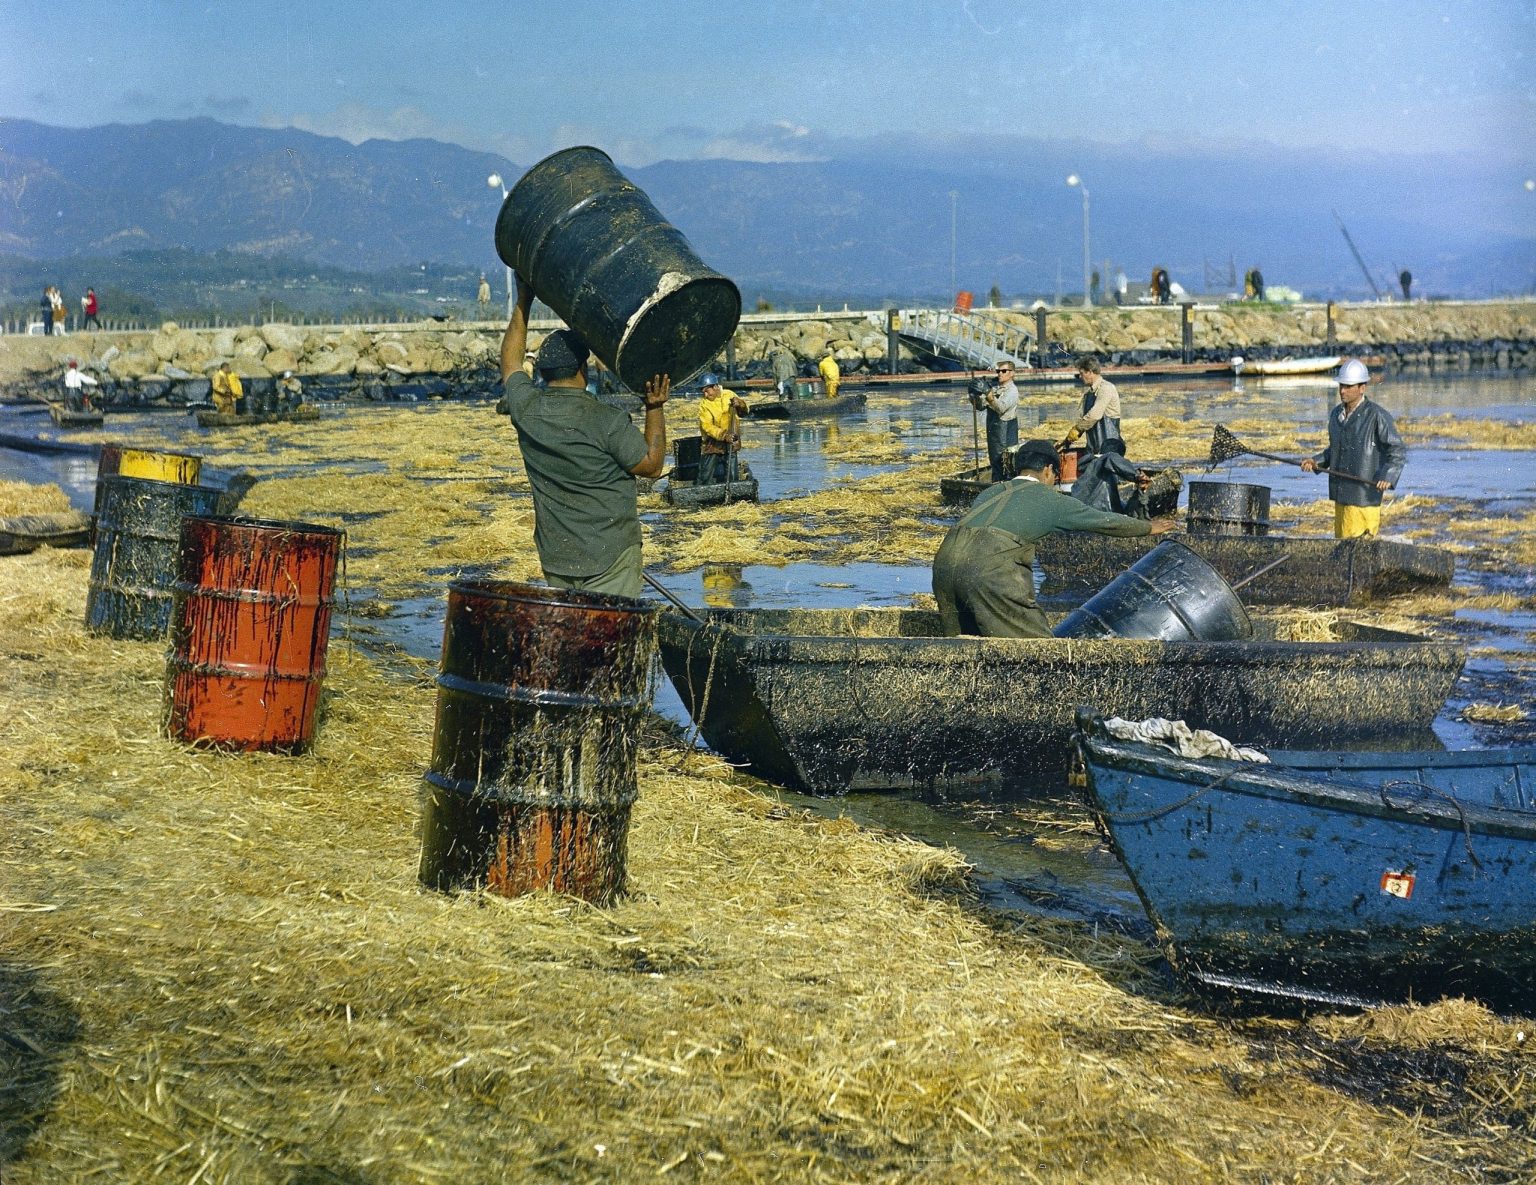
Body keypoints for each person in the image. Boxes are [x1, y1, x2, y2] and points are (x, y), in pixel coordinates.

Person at [498, 274, 668, 599]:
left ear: (542, 373)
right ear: (582, 370)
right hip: (610, 557)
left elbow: (509, 361)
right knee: (609, 639)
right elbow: (652, 466)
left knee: (573, 638)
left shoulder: (525, 408)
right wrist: (655, 407)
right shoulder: (606, 420)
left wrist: (523, 299)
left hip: (557, 559)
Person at [932, 438, 1178, 637]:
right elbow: (1103, 521)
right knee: (1039, 650)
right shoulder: (1050, 499)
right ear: (1048, 470)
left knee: (963, 646)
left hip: (944, 564)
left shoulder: (993, 491)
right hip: (988, 570)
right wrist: (1147, 527)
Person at [1301, 358, 1406, 540]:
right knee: (1341, 546)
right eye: (1341, 385)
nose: (1343, 391)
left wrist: (1387, 476)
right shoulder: (1336, 415)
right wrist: (1315, 461)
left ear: (1362, 388)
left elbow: (1397, 450)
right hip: (1341, 495)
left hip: (1364, 498)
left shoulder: (1377, 415)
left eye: (1349, 386)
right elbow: (1335, 450)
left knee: (1359, 553)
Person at [1059, 354, 1122, 455]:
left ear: (1090, 372)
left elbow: (1094, 415)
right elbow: (1086, 421)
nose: (1080, 377)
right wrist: (1070, 438)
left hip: (1109, 448)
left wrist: (1077, 429)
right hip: (1094, 447)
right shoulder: (1089, 394)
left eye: (1081, 373)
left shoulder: (1106, 388)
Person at [697, 373, 748, 486]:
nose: (705, 394)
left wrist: (740, 404)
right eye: (703, 392)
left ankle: (733, 489)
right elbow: (707, 426)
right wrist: (724, 436)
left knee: (732, 472)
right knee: (706, 474)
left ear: (715, 387)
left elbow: (744, 413)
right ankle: (705, 490)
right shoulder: (704, 405)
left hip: (732, 438)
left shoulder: (729, 395)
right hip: (712, 442)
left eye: (707, 391)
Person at [978, 361, 1020, 482]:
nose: (1000, 374)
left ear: (1012, 373)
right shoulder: (995, 389)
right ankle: (996, 486)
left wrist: (989, 396)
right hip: (994, 435)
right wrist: (974, 394)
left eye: (1004, 371)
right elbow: (980, 406)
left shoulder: (1012, 391)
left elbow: (1001, 408)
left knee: (1007, 465)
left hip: (1006, 434)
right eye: (998, 371)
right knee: (995, 464)